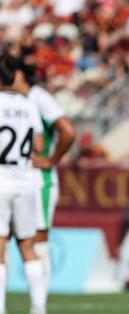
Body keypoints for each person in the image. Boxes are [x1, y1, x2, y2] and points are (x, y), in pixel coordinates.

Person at [13, 60, 77, 291]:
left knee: (38, 240)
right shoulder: (12, 100)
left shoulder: (37, 97)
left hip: (37, 178)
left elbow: (68, 130)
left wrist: (52, 160)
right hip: (13, 176)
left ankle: (39, 306)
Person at [0, 55, 47, 314]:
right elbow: (38, 146)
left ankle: (1, 312)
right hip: (24, 181)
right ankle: (39, 311)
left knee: (0, 247)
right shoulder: (28, 106)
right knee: (28, 247)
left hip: (0, 181)